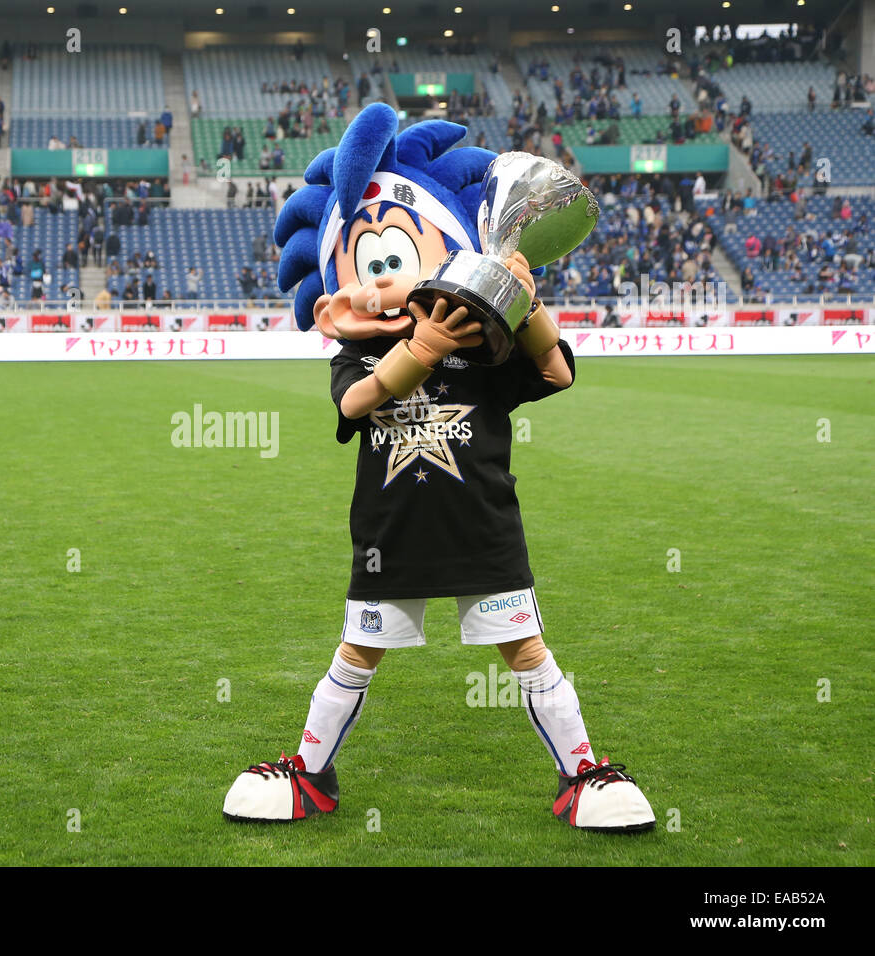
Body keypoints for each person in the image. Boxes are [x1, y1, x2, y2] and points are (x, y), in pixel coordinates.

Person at [223, 104, 656, 833]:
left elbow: (556, 373)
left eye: (400, 259)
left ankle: (583, 771)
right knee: (356, 652)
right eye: (370, 264)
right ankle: (309, 772)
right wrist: (419, 348)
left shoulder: (486, 348)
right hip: (391, 535)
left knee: (527, 650)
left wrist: (526, 302)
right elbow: (359, 402)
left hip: (482, 531)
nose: (386, 280)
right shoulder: (358, 355)